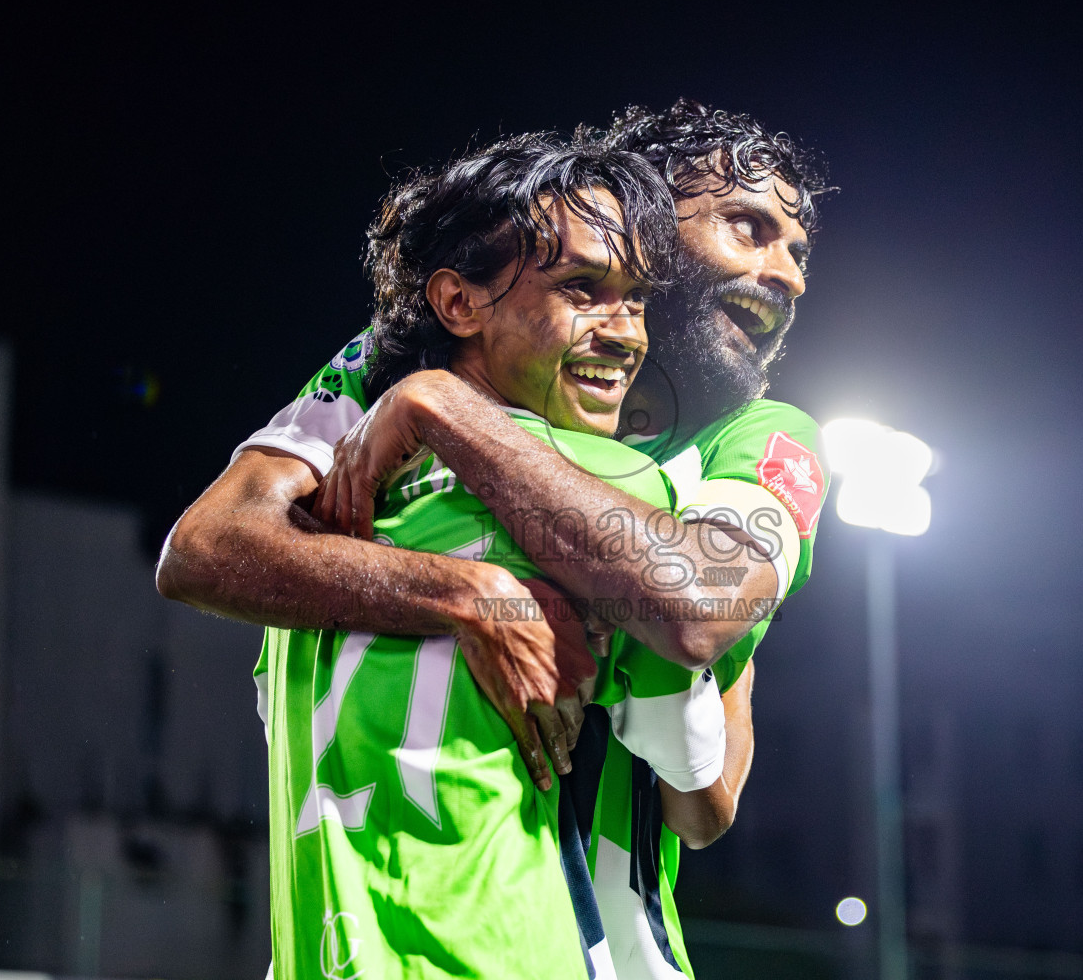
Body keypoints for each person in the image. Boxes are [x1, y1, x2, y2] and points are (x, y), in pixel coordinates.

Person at [172, 131, 736, 979]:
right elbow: (702, 799)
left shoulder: (314, 525)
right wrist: (469, 594)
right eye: (582, 289)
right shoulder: (612, 493)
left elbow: (208, 551)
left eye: (637, 299)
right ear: (458, 303)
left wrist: (433, 400)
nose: (626, 333)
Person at [311, 99, 833, 978]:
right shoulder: (401, 356)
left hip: (591, 950)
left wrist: (442, 412)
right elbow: (207, 550)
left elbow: (707, 793)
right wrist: (469, 594)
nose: (788, 276)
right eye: (748, 228)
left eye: (798, 251)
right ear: (645, 219)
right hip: (374, 931)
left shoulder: (754, 439)